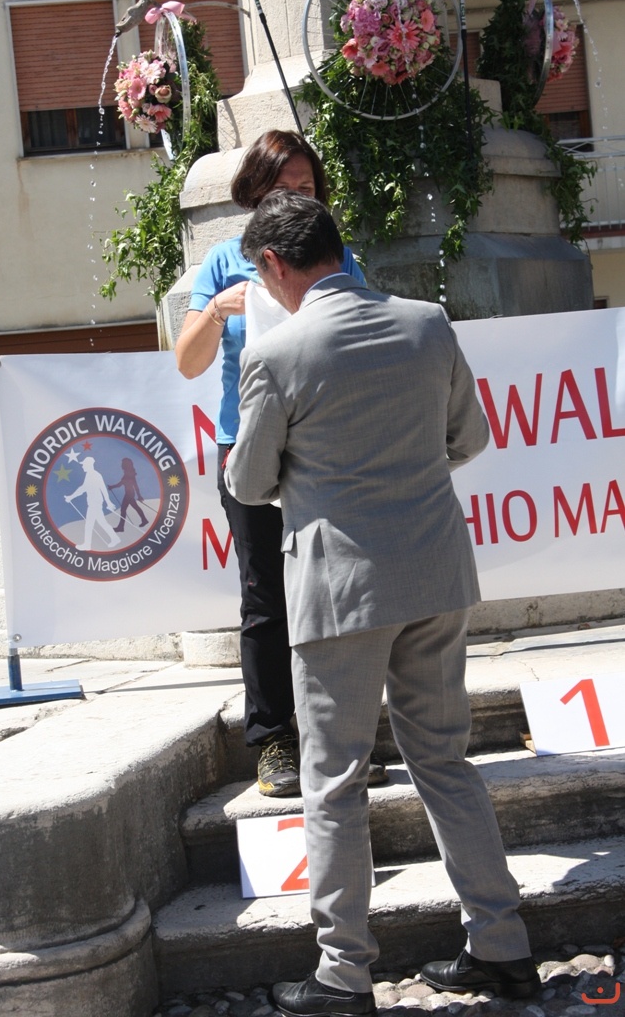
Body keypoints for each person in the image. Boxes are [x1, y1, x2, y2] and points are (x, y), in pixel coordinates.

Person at [225, 191, 541, 1015]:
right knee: (444, 762)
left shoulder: (276, 352)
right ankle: (502, 945)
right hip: (434, 571)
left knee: (332, 781)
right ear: (336, 246)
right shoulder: (427, 322)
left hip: (339, 589)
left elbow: (249, 483)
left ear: (274, 265)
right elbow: (469, 439)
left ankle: (343, 972)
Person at [176, 130, 388, 797]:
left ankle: (342, 736)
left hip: (327, 446)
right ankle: (274, 740)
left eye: (305, 187)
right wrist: (217, 311)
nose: (295, 197)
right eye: (280, 187)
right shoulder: (223, 261)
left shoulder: (338, 259)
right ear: (253, 192)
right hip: (248, 448)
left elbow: (364, 342)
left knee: (339, 591)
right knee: (266, 596)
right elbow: (186, 363)